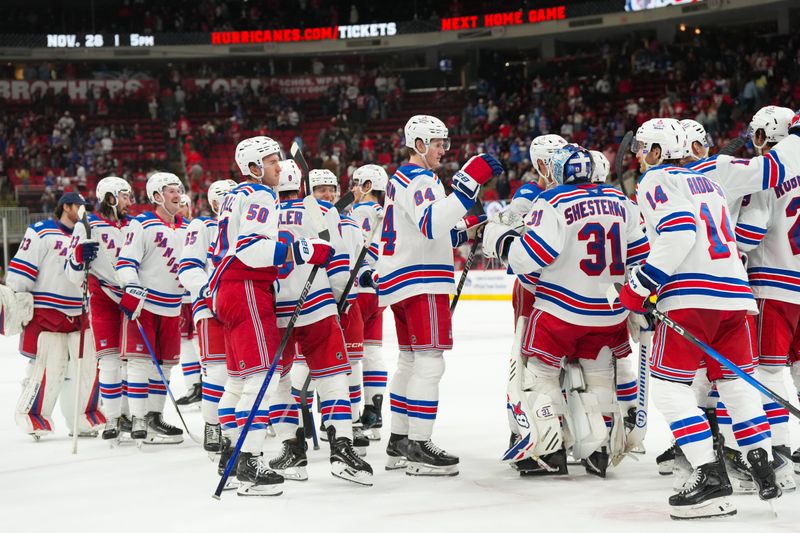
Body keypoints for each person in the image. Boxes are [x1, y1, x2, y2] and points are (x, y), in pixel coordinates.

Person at [616, 118, 779, 519]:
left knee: (670, 389)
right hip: (735, 294)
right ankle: (761, 463)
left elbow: (679, 234)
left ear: (659, 152)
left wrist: (638, 289)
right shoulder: (708, 182)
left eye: (643, 148)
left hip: (692, 298)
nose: (638, 155)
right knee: (735, 384)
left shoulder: (656, 181)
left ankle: (709, 474)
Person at [483, 146, 648, 477]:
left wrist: (505, 245)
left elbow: (533, 255)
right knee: (600, 375)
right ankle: (599, 449)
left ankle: (549, 449)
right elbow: (641, 254)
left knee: (539, 375)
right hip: (609, 311)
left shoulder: (554, 201)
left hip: (562, 309)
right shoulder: (621, 201)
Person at [379, 115, 502, 476]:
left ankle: (399, 441)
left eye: (445, 143)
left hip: (402, 278)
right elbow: (432, 223)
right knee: (430, 363)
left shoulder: (401, 178)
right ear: (418, 144)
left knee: (409, 362)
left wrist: (469, 226)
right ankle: (419, 444)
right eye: (437, 143)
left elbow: (435, 234)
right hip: (422, 281)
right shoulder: (420, 178)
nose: (443, 150)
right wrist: (466, 185)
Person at [209, 137, 330, 496]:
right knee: (261, 379)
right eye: (271, 160)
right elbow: (252, 249)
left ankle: (230, 459)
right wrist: (302, 248)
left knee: (237, 380)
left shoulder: (234, 196)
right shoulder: (259, 195)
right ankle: (249, 461)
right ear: (252, 167)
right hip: (246, 287)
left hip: (227, 290)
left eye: (278, 159)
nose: (279, 167)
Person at [269, 162, 373, 485]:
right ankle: (341, 446)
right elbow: (339, 260)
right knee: (333, 378)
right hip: (317, 305)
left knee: (280, 381)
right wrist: (342, 299)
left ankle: (292, 450)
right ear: (302, 186)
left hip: (275, 312)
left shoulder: (263, 212)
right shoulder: (319, 211)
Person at [734, 112, 800, 485]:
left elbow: (748, 235)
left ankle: (780, 458)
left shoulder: (766, 169)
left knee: (769, 373)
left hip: (774, 284)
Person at [9, 192, 104, 439]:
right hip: (47, 308)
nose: (83, 211)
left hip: (80, 310)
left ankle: (84, 417)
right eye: (79, 206)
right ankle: (32, 414)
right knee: (48, 364)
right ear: (66, 207)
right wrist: (18, 291)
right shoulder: (42, 231)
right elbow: (21, 271)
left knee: (86, 366)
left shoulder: (89, 233)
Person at [116, 172, 188, 445]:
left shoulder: (187, 228)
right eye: (171, 191)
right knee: (139, 362)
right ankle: (137, 418)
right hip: (145, 304)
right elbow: (125, 262)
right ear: (157, 196)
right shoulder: (142, 224)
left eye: (178, 190)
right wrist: (132, 287)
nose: (177, 195)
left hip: (173, 306)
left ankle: (155, 416)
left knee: (165, 365)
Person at [65, 178, 133, 441]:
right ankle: (113, 418)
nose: (130, 202)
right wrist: (80, 257)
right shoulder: (86, 226)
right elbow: (71, 275)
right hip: (103, 297)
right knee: (110, 360)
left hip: (131, 298)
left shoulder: (134, 225)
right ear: (111, 197)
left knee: (133, 361)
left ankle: (130, 415)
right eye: (125, 196)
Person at [178, 179, 237, 454]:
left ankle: (240, 419)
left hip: (243, 307)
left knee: (245, 369)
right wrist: (210, 292)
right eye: (223, 198)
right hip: (211, 307)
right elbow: (188, 268)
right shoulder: (203, 226)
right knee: (217, 368)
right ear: (214, 203)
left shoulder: (247, 226)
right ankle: (213, 424)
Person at [350, 164, 389, 440]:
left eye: (356, 184)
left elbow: (358, 249)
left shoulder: (360, 212)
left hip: (357, 288)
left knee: (352, 355)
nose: (352, 189)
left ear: (366, 186)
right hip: (379, 292)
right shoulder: (387, 213)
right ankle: (373, 415)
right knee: (373, 352)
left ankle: (352, 419)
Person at [175, 193, 202, 406]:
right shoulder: (167, 227)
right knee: (185, 341)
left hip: (194, 292)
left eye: (184, 205)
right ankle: (193, 385)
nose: (180, 208)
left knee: (198, 340)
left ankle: (206, 383)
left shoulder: (195, 227)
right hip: (177, 295)